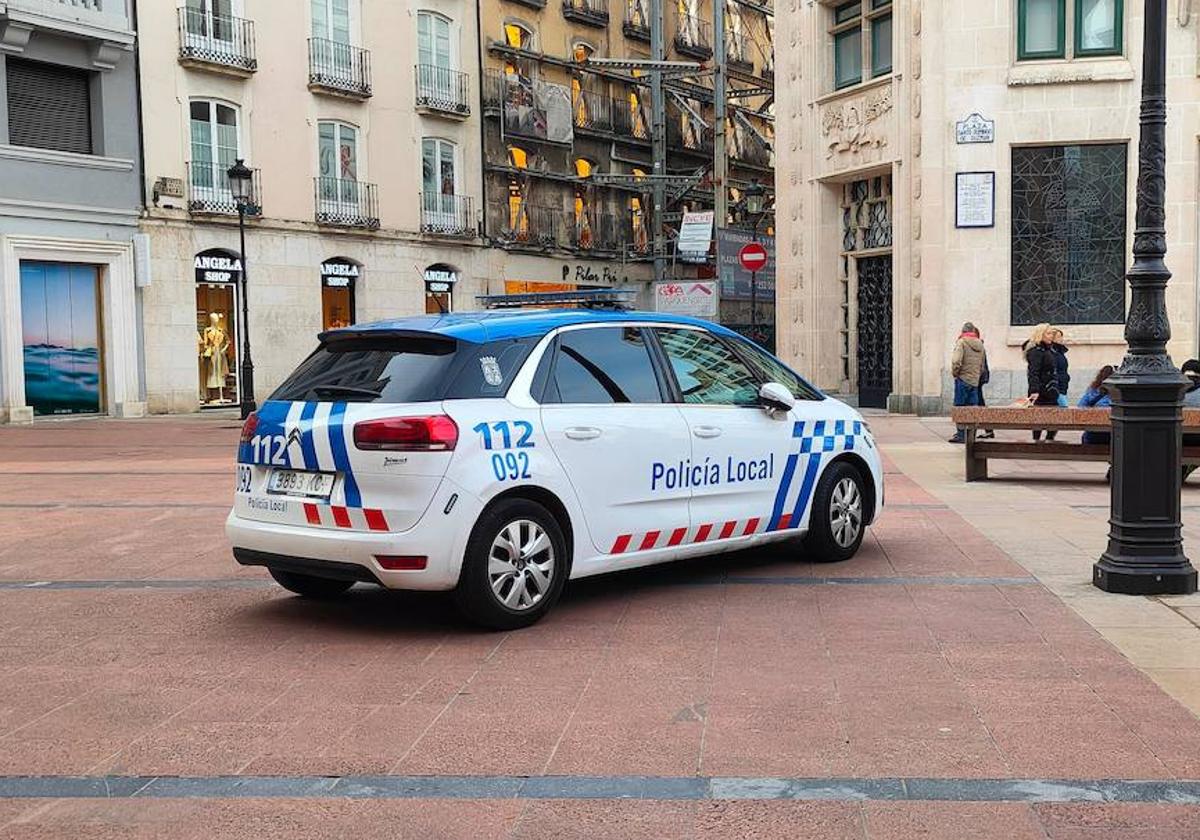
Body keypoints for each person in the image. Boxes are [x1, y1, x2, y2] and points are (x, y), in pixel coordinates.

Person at [948, 321, 987, 444]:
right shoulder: (980, 344)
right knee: (972, 407)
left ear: (963, 331)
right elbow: (982, 365)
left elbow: (956, 361)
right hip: (974, 381)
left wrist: (955, 373)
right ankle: (971, 434)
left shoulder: (962, 342)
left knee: (960, 406)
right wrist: (976, 376)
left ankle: (961, 434)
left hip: (963, 379)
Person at [1024, 323, 1059, 441]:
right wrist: (1034, 390)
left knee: (1054, 417)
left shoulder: (1049, 350)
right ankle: (1037, 441)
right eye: (1048, 334)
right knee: (1039, 418)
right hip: (1041, 389)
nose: (1051, 336)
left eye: (1051, 333)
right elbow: (1033, 372)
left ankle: (1048, 439)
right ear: (1040, 335)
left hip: (1051, 389)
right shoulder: (1036, 351)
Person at [1078, 365, 1113, 446]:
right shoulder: (1119, 393)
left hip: (1093, 434)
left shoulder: (1092, 391)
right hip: (1112, 435)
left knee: (1085, 437)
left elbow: (1080, 407)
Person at [1049, 328, 1071, 406]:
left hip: (1062, 386)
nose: (1061, 339)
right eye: (1058, 337)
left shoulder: (1059, 351)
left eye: (1061, 336)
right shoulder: (1052, 352)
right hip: (1057, 387)